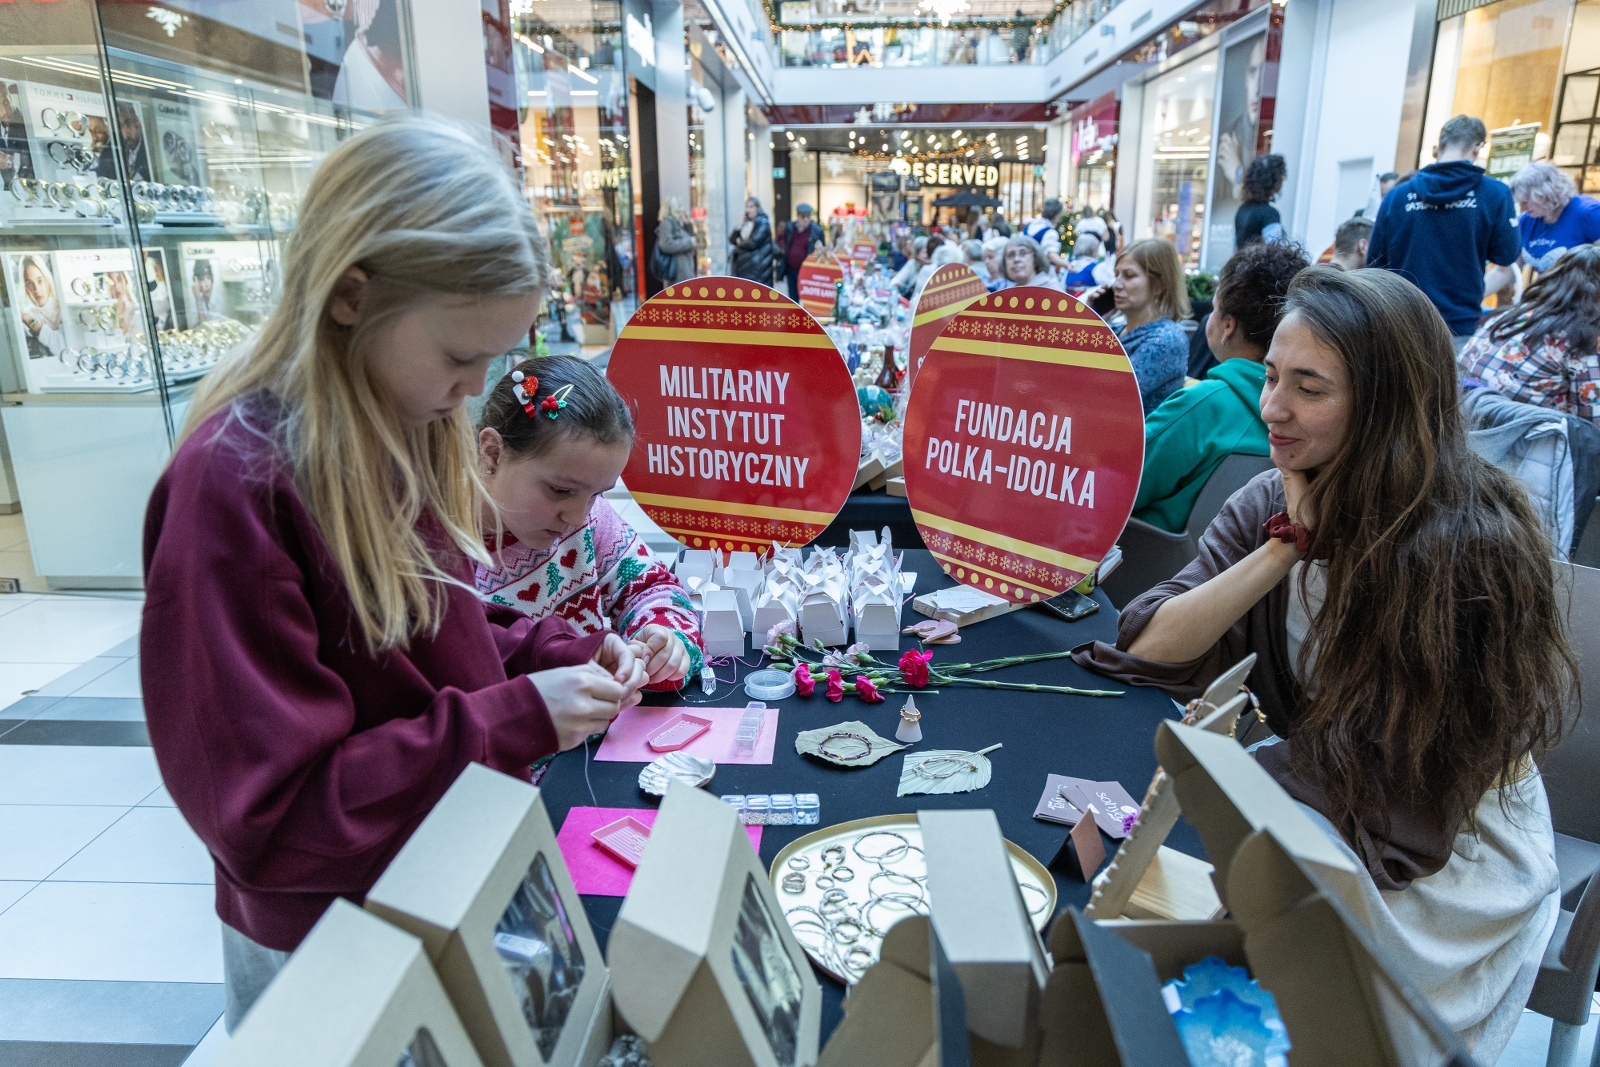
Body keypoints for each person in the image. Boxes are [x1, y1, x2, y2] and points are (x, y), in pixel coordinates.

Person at [138, 116, 648, 1032]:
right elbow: (276, 818)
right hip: (332, 937)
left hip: (434, 877)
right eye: (460, 356)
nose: (474, 385)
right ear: (351, 296)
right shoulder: (235, 487)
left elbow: (418, 625)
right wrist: (514, 714)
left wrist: (544, 650)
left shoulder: (397, 428)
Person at [1075, 267, 1572, 1064]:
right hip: (1331, 795)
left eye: (1309, 388)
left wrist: (1225, 781)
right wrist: (1282, 549)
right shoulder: (1278, 498)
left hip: (1444, 852)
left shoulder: (1467, 552)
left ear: (1386, 405)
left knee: (1296, 993)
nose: (1273, 407)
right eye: (1272, 375)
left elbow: (1398, 783)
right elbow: (1149, 643)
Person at [475, 356, 703, 690]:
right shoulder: (444, 562)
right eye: (559, 490)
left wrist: (666, 637)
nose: (578, 516)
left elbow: (649, 588)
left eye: (597, 494)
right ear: (493, 453)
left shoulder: (589, 517)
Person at [1131, 241, 1311, 532]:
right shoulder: (1310, 418)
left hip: (1158, 567)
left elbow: (1117, 486)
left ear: (1228, 325)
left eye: (1214, 309)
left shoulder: (1204, 406)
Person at [1367, 115, 1520, 351]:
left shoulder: (1397, 196)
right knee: (1448, 389)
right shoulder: (1495, 194)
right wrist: (1470, 295)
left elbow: (1375, 267)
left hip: (1400, 325)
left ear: (1437, 148)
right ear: (1478, 148)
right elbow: (1506, 261)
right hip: (1457, 326)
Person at [1458, 243, 1600, 425]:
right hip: (1515, 441)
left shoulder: (1509, 315)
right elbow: (1592, 422)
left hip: (1466, 426)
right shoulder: (1580, 338)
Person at [1087, 237, 1190, 412]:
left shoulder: (1166, 339)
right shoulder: (1115, 330)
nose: (1117, 285)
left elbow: (1104, 397)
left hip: (1142, 438)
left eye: (1129, 276)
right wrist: (1089, 318)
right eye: (1116, 275)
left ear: (1159, 285)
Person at [1510, 161, 1600, 272]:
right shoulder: (1526, 220)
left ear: (1545, 195)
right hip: (1550, 288)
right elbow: (1506, 271)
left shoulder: (1589, 212)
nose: (1522, 209)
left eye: (1525, 202)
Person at [15, 254, 65, 362]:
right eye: (30, 283)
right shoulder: (28, 314)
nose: (36, 289)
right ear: (25, 287)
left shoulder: (63, 308)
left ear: (47, 280)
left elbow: (63, 348)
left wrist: (31, 322)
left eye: (40, 281)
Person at [1234, 154, 1287, 248]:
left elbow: (1235, 248)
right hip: (1258, 262)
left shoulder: (1242, 209)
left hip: (1242, 262)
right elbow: (1275, 251)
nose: (1283, 178)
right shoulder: (1269, 214)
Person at [95, 101, 151, 182]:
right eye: (120, 126)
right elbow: (102, 171)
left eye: (128, 123)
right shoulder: (114, 148)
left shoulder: (150, 149)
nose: (125, 131)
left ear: (137, 122)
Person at [781, 203, 824, 303]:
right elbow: (786, 244)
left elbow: (821, 251)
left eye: (808, 217)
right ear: (797, 216)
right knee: (793, 297)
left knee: (807, 297)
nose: (806, 220)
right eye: (803, 217)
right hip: (791, 270)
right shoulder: (790, 228)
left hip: (808, 270)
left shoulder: (816, 231)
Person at [991, 234, 1061, 291]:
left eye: (1023, 253)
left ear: (1035, 259)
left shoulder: (1052, 289)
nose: (1016, 259)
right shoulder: (1007, 293)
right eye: (1011, 255)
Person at [729, 196, 774, 284]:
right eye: (746, 206)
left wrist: (738, 244)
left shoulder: (763, 223)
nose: (748, 210)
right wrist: (739, 226)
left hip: (758, 271)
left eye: (751, 207)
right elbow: (732, 240)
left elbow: (752, 243)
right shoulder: (745, 223)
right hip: (743, 269)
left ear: (758, 208)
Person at [655, 198, 696, 287]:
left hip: (685, 269)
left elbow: (692, 238)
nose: (682, 209)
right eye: (679, 207)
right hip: (677, 271)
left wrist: (687, 223)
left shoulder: (678, 224)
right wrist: (689, 242)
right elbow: (666, 245)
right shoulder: (666, 224)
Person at [1022, 197, 1066, 273]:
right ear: (1057, 215)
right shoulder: (1050, 233)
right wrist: (1067, 265)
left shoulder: (1028, 227)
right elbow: (1051, 255)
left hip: (1024, 271)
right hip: (1042, 273)